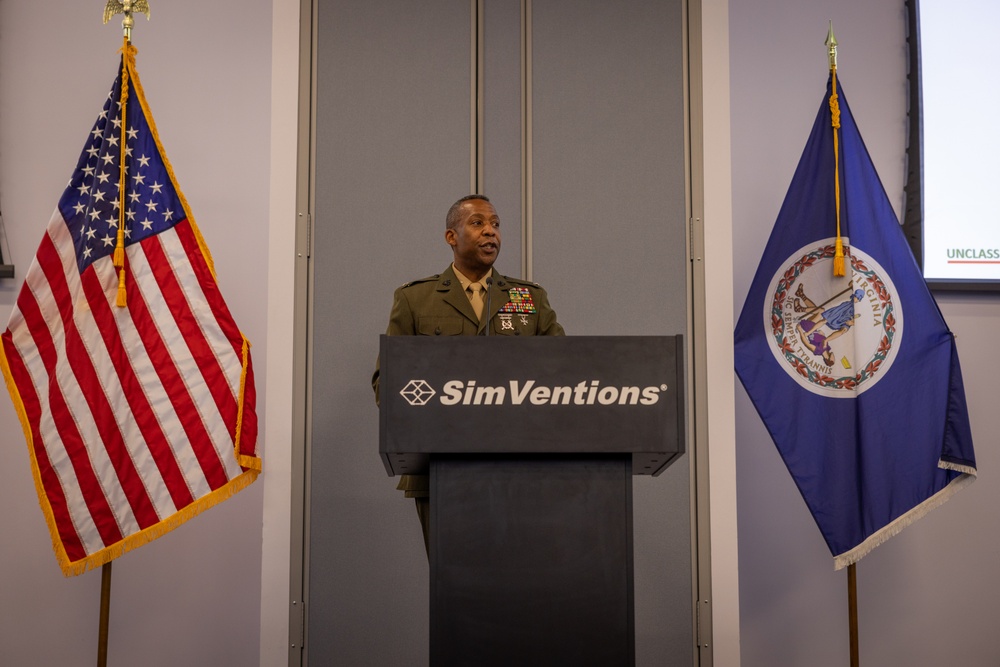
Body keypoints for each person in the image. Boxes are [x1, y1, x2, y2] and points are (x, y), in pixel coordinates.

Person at [372, 194, 565, 554]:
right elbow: (388, 383)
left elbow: (564, 376)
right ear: (451, 236)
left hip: (517, 467)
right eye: (478, 223)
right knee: (453, 586)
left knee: (515, 581)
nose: (490, 232)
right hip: (439, 467)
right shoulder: (415, 299)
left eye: (495, 224)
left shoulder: (528, 299)